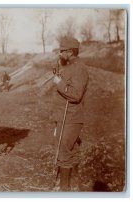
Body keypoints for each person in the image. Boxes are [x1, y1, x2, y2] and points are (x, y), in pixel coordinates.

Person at [52, 37, 89, 191]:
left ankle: (64, 190)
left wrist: (58, 82)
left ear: (70, 52)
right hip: (63, 117)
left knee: (65, 152)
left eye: (62, 51)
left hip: (71, 118)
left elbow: (75, 94)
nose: (60, 54)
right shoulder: (69, 67)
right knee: (68, 150)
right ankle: (70, 185)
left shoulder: (79, 69)